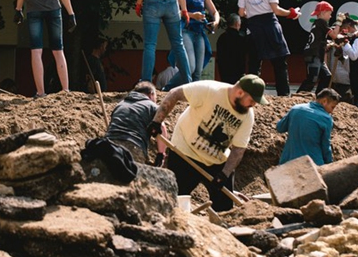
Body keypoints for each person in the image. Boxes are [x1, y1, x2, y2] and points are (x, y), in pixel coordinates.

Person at [149, 74, 266, 211]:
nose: (253, 105)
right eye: (252, 100)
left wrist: (224, 174)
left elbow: (238, 149)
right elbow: (175, 93)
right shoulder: (209, 90)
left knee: (225, 207)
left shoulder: (247, 116)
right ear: (240, 92)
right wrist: (157, 121)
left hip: (216, 160)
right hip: (185, 152)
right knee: (176, 200)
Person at [237, 0, 299, 97]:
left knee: (254, 62)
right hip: (270, 25)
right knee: (279, 62)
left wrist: (252, 14)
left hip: (253, 27)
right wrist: (291, 13)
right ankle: (283, 95)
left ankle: (251, 95)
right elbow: (276, 10)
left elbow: (241, 13)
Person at [168, 0, 220, 84]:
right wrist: (192, 15)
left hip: (199, 32)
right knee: (190, 67)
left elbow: (214, 11)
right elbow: (174, 11)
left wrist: (215, 22)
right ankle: (169, 86)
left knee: (198, 71)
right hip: (186, 29)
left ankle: (192, 97)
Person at [105, 81, 167, 164]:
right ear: (151, 94)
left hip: (108, 145)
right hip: (133, 146)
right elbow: (161, 128)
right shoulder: (152, 106)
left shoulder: (120, 105)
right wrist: (161, 154)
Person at [277, 88, 341, 166]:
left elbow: (280, 128)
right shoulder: (326, 119)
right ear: (324, 101)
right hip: (312, 164)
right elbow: (325, 145)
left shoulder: (296, 109)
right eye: (332, 107)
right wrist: (329, 164)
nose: (332, 111)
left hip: (288, 161)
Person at [298, 1, 339, 93]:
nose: (330, 16)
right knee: (312, 78)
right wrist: (339, 22)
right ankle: (298, 96)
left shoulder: (317, 24)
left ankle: (318, 97)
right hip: (313, 55)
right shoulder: (321, 22)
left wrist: (328, 44)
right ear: (323, 12)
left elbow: (319, 39)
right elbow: (334, 35)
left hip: (318, 55)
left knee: (327, 76)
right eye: (330, 14)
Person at [216, 14, 248, 84]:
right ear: (237, 24)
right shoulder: (241, 38)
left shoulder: (221, 38)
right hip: (237, 72)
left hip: (224, 71)